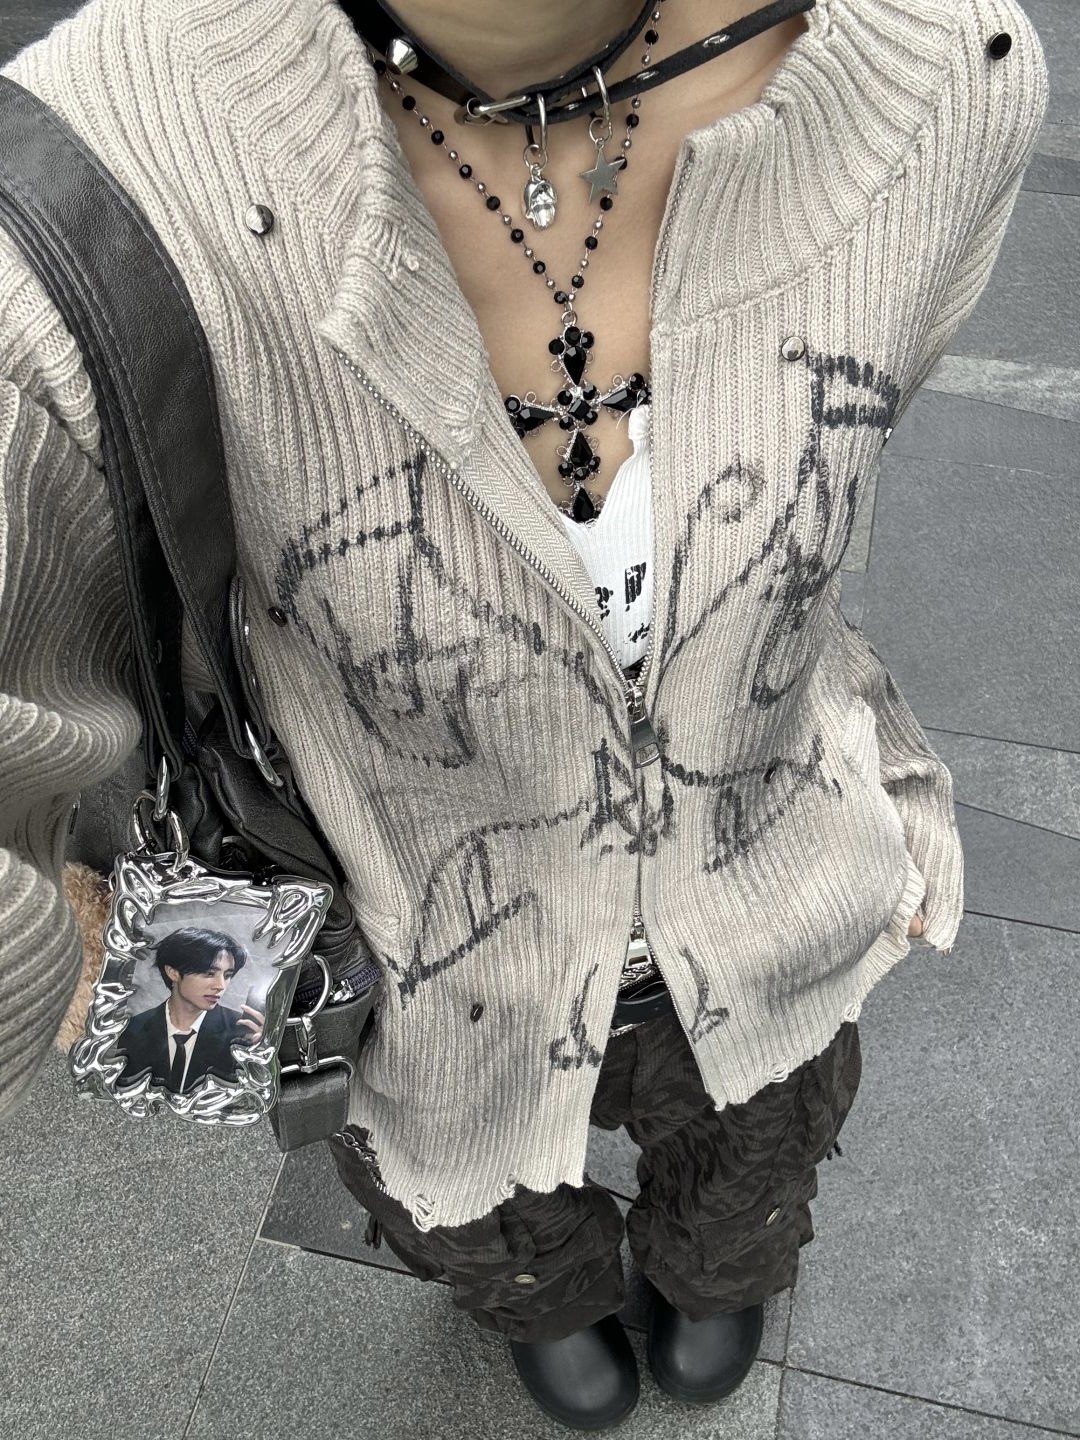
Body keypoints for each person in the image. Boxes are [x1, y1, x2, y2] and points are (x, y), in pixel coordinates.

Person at [0, 0, 1047, 1429]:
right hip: (422, 975)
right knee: (482, 1210)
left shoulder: (947, 75)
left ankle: (716, 1266)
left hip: (777, 902)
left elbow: (817, 539)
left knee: (754, 1160)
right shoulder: (73, 203)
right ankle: (545, 1297)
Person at [115, 927, 265, 1094]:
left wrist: (262, 1059)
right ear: (173, 972)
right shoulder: (132, 1030)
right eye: (209, 973)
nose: (221, 986)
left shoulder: (241, 1032)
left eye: (227, 975)